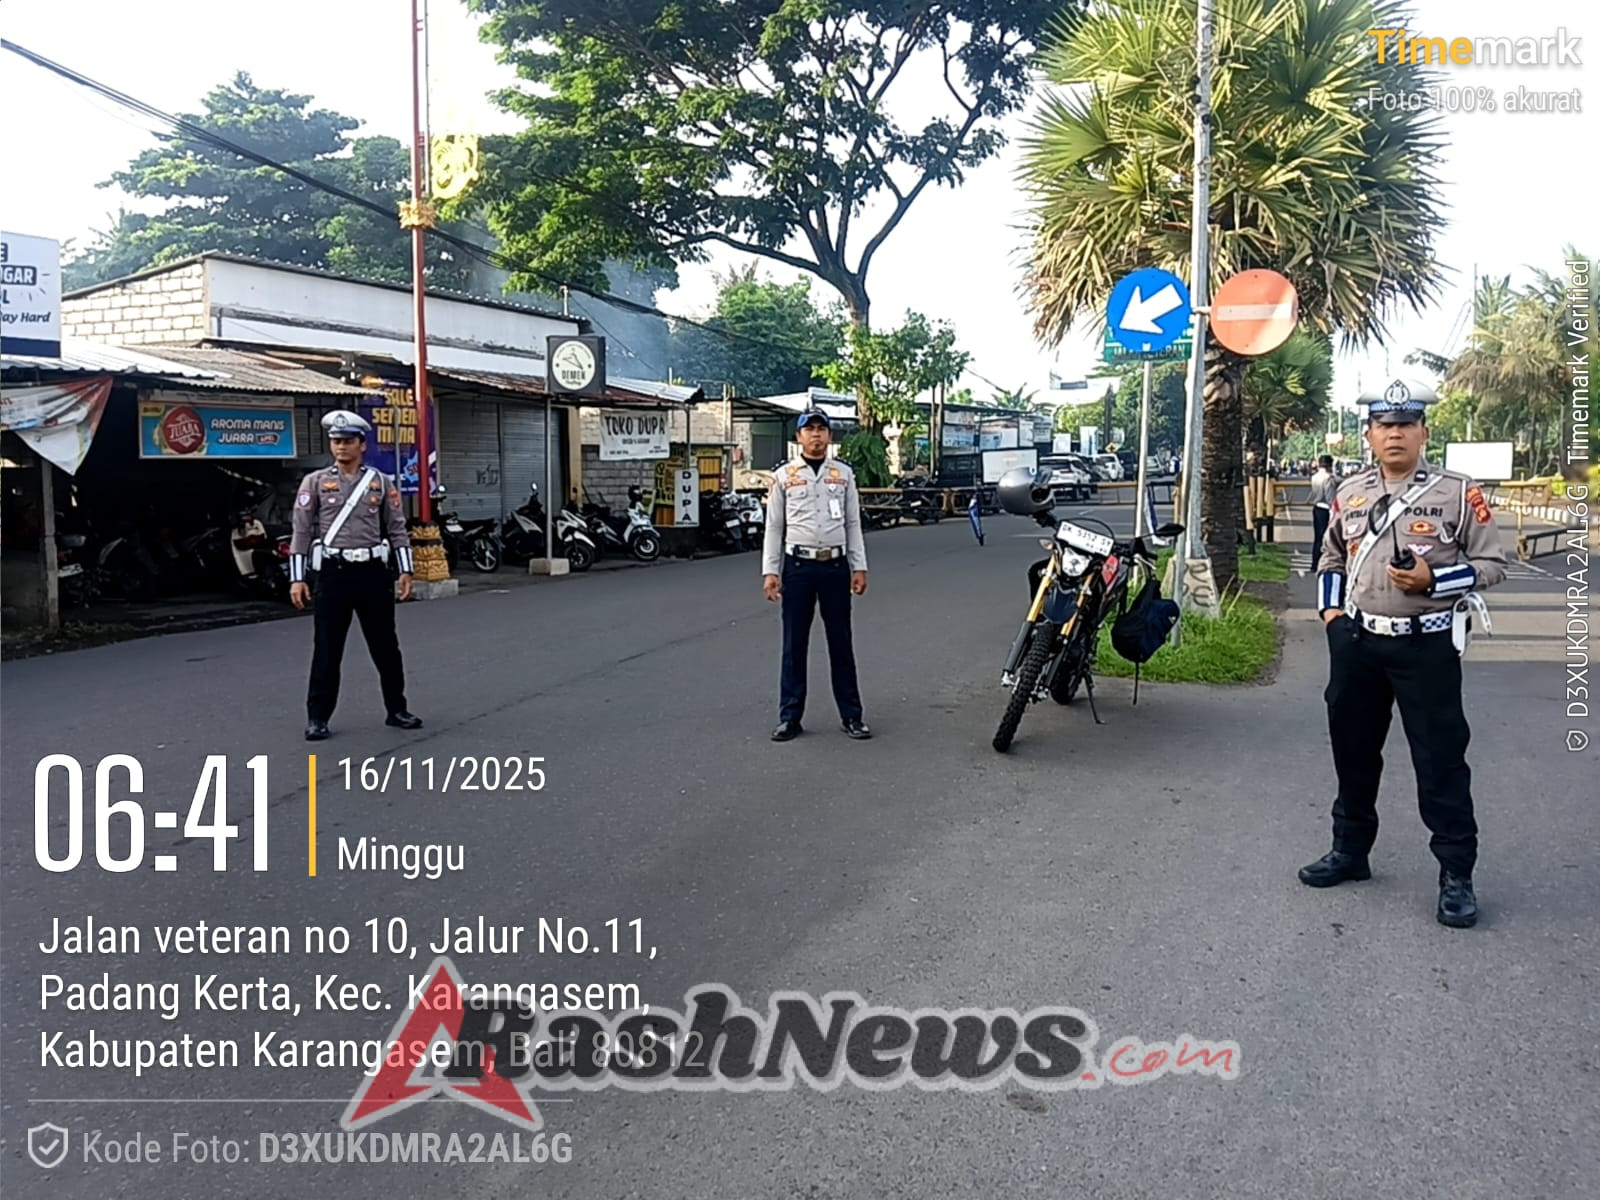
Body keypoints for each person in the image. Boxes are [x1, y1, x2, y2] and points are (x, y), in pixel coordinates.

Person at [1306, 385, 1506, 927]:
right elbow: (1328, 558)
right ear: (1369, 434)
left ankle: (1456, 873)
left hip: (1427, 645)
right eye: (1384, 425)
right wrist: (1332, 620)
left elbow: (1492, 563)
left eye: (1406, 424)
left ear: (1423, 432)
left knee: (1439, 760)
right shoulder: (1349, 493)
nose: (1394, 433)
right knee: (1353, 752)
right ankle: (1350, 851)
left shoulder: (1458, 492)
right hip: (1358, 642)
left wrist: (1434, 578)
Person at [289, 410, 422, 741]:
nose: (341, 447)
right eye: (336, 441)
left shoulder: (380, 482)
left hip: (373, 574)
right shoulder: (315, 482)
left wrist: (405, 570)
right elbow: (301, 532)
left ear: (362, 444)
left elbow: (396, 528)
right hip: (334, 574)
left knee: (386, 647)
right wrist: (297, 577)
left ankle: (396, 709)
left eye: (348, 441)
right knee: (327, 650)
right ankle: (317, 717)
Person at [761, 409, 870, 741]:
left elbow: (853, 523)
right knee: (794, 644)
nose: (816, 435)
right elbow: (774, 526)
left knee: (841, 643)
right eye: (810, 430)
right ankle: (790, 716)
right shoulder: (784, 476)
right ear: (799, 438)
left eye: (822, 429)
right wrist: (770, 571)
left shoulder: (844, 475)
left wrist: (859, 566)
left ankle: (852, 716)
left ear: (830, 436)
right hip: (798, 568)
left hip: (835, 567)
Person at [1309, 454, 1336, 557]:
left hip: (1316, 507)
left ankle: (1314, 561)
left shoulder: (1314, 477)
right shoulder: (1329, 478)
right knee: (1326, 537)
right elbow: (1330, 497)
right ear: (1330, 465)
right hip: (1326, 509)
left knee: (1317, 537)